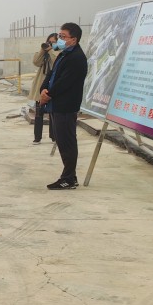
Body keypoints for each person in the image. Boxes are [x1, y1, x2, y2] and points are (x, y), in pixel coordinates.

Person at [40, 23, 88, 190]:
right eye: (59, 36)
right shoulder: (63, 54)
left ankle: (68, 179)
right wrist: (43, 89)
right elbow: (51, 74)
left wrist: (48, 94)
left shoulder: (77, 58)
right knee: (62, 141)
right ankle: (70, 176)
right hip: (56, 104)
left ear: (74, 39)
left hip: (66, 106)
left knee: (67, 142)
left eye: (63, 37)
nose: (59, 39)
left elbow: (64, 82)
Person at [30, 33, 58, 144]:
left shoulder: (59, 52)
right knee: (39, 112)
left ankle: (54, 136)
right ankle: (37, 137)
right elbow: (36, 62)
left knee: (53, 113)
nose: (50, 44)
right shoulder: (44, 54)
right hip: (41, 85)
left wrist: (51, 50)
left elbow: (56, 61)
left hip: (53, 85)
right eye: (49, 42)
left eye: (53, 42)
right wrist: (43, 50)